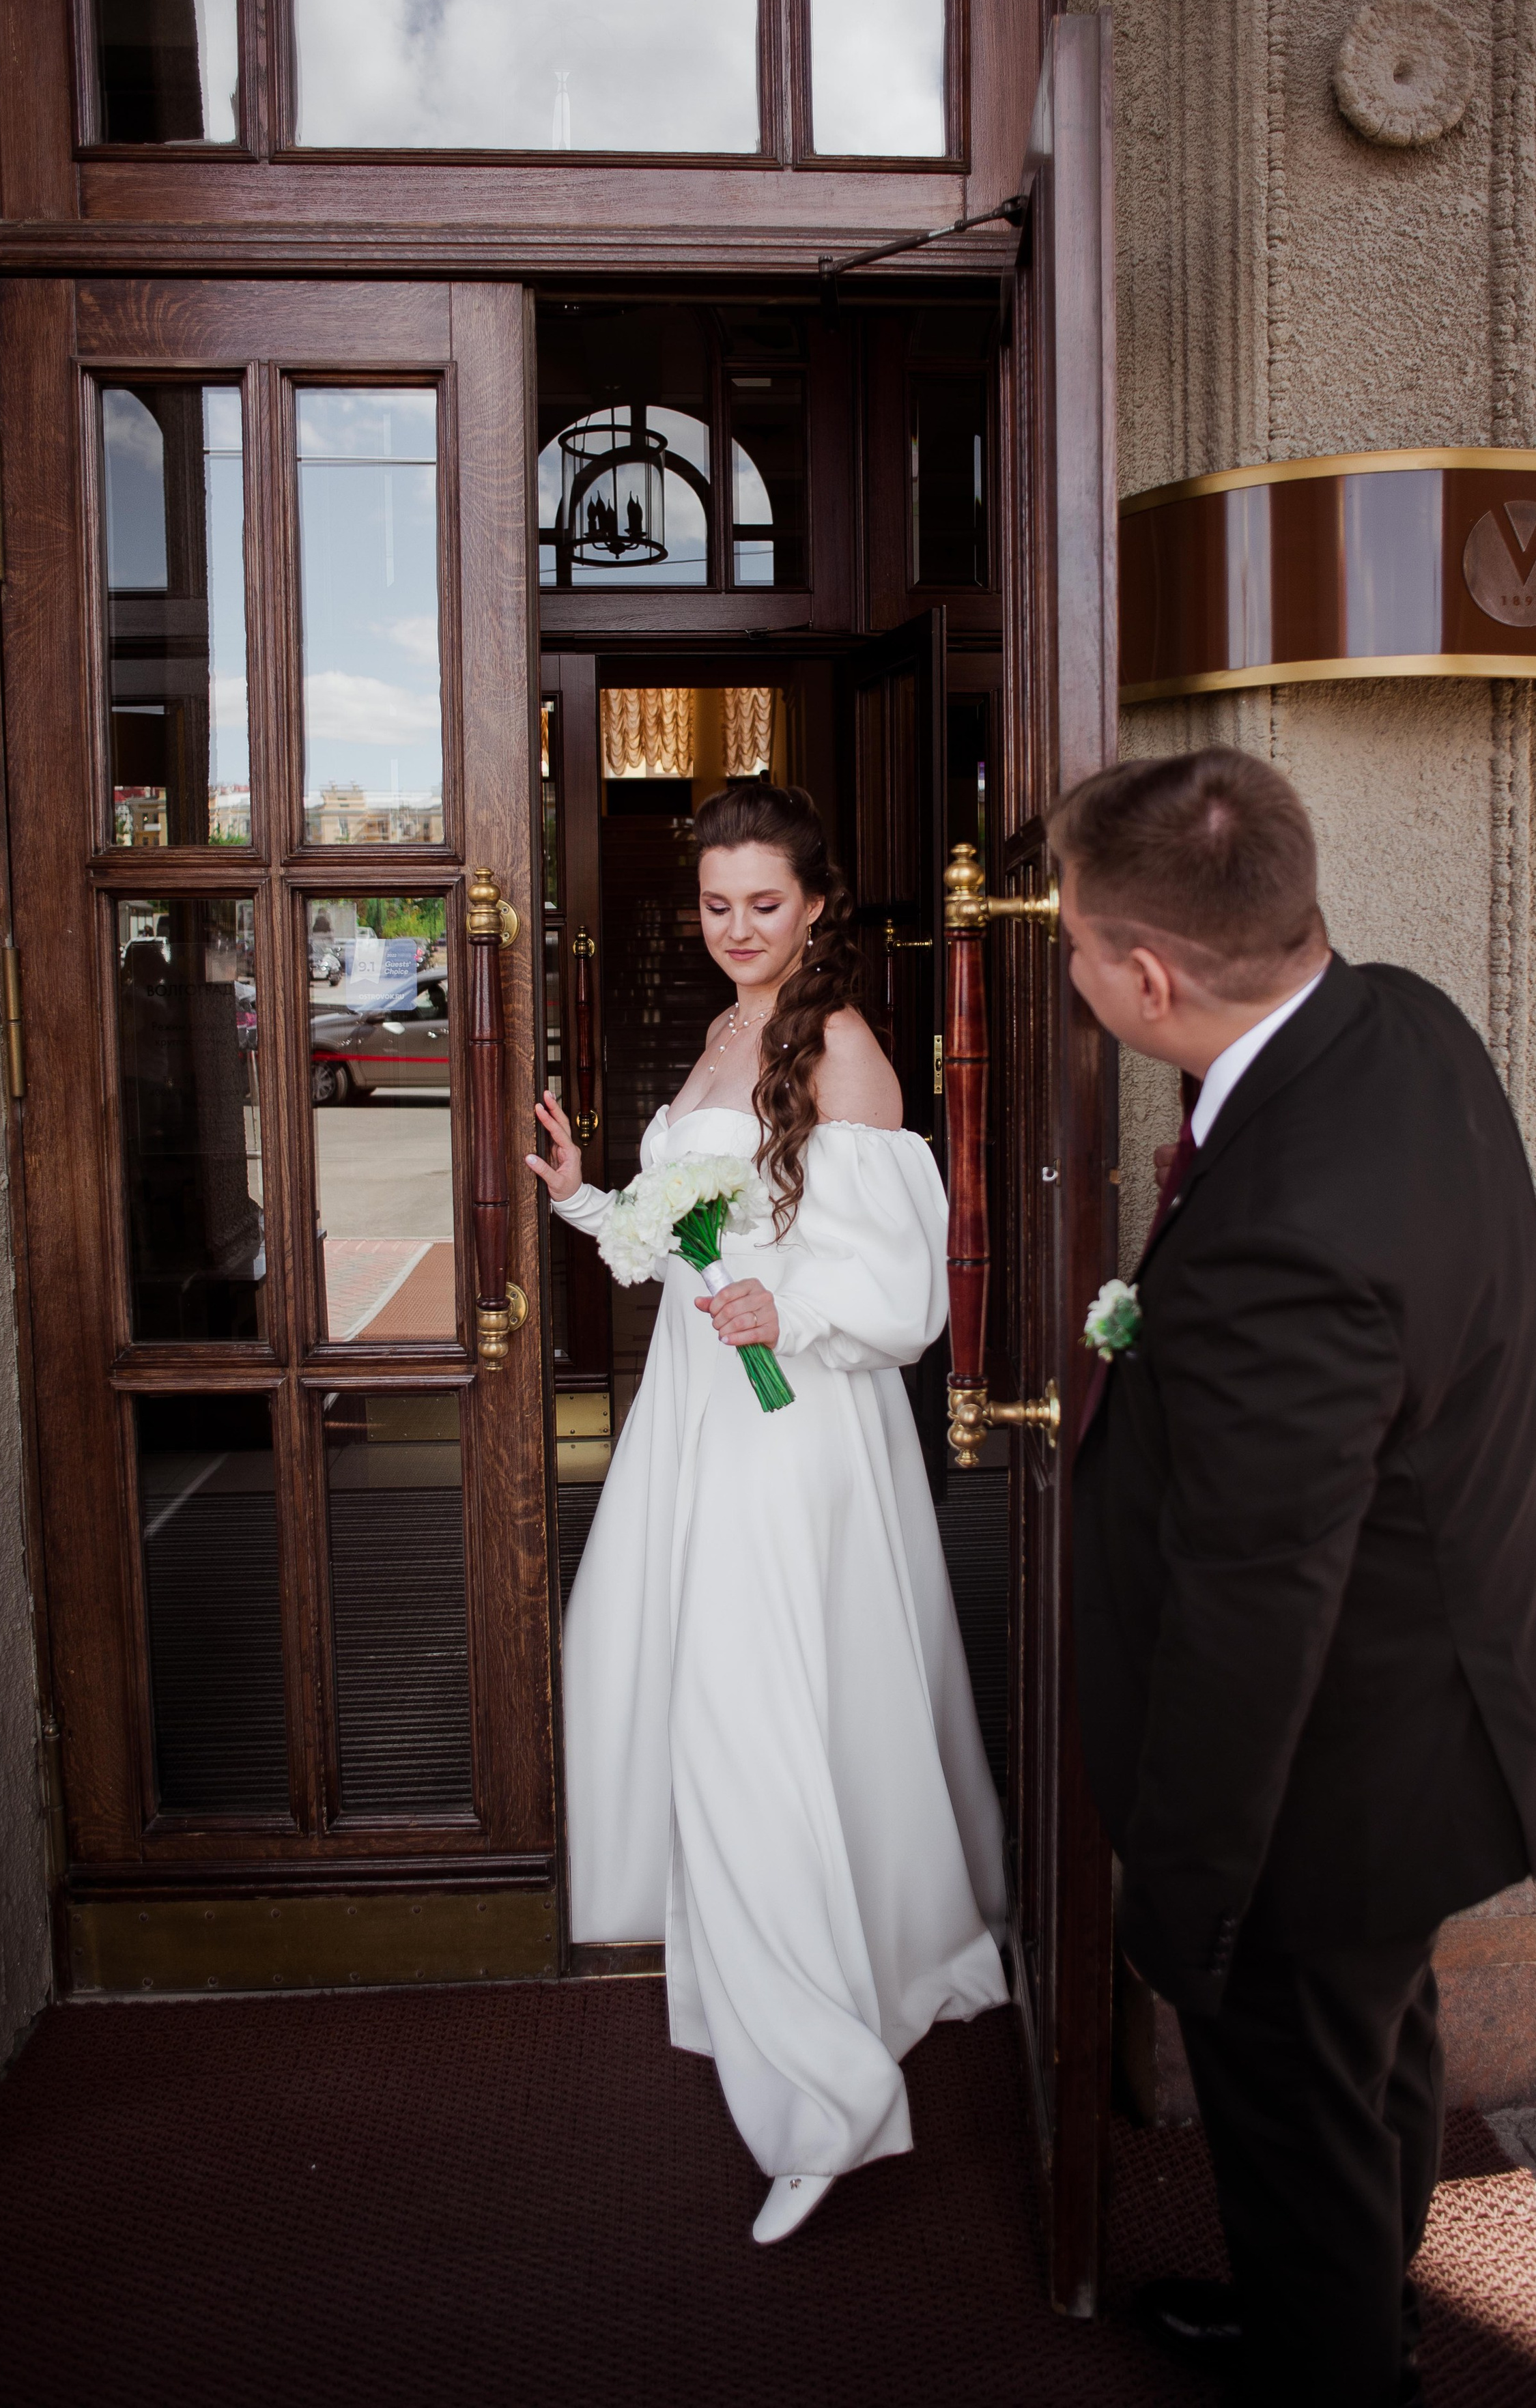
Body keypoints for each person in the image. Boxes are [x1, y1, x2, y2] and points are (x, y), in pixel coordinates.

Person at [1052, 748, 1536, 2407]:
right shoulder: (1396, 1016)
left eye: (1075, 946)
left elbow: (1253, 1602)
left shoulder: (1286, 1234)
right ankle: (1363, 2306)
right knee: (1371, 2045)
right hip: (1463, 1682)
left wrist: (1182, 1901)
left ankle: (1335, 2352)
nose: (1072, 970)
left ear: (1144, 977)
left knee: (1295, 2093)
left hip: (1352, 1769)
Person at [526, 784, 1008, 2246]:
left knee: (749, 1716)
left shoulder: (845, 1053)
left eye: (762, 902)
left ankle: (820, 2090)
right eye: (716, 903)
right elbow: (690, 1244)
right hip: (699, 1414)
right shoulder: (732, 1034)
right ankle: (817, 1956)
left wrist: (779, 1302)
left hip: (786, 1431)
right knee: (704, 1691)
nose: (734, 928)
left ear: (814, 904)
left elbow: (902, 1296)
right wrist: (583, 1198)